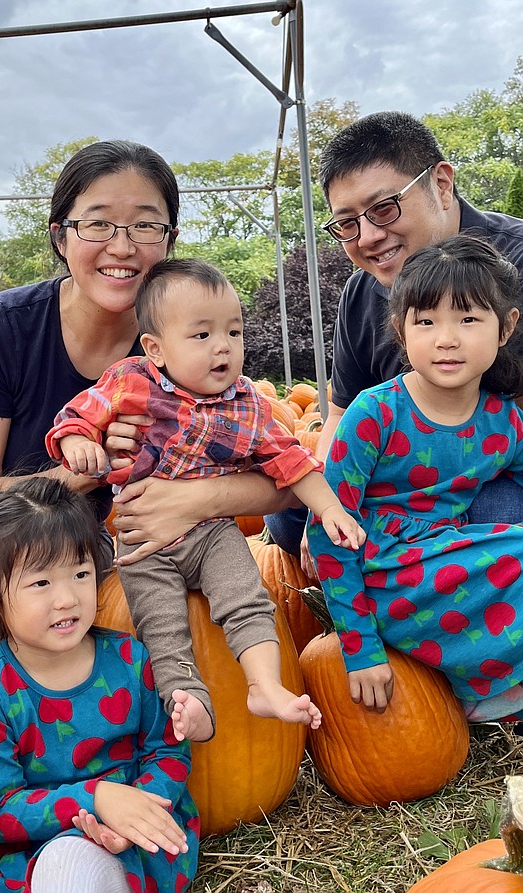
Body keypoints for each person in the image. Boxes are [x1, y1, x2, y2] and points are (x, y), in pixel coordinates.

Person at [0, 138, 294, 662]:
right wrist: (89, 469)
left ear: (169, 240)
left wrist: (197, 501)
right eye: (98, 223)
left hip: (76, 549)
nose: (123, 246)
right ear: (61, 237)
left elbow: (285, 479)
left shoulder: (182, 346)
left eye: (146, 225)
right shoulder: (0, 330)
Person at [46, 258, 364, 742]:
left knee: (247, 599)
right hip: (141, 541)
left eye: (233, 333)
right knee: (161, 623)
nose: (223, 347)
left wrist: (330, 509)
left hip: (212, 533)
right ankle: (186, 698)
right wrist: (77, 444)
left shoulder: (249, 405)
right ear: (155, 349)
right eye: (202, 336)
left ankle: (264, 686)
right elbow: (77, 417)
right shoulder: (131, 381)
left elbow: (293, 461)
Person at [264, 110, 523, 565]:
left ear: (441, 185)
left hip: (481, 470)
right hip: (393, 469)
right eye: (347, 223)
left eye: (384, 209)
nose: (367, 237)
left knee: (493, 510)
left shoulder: (511, 266)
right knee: (286, 516)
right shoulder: (361, 292)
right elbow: (342, 411)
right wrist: (328, 504)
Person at [306, 234, 523, 722]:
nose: (446, 338)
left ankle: (490, 685)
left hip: (448, 560)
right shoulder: (376, 412)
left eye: (468, 319)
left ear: (506, 327)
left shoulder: (503, 420)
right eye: (426, 322)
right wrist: (358, 647)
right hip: (382, 575)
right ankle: (482, 691)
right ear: (401, 331)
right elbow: (329, 529)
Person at [0, 476, 200, 893]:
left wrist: (140, 811)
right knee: (65, 869)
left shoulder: (130, 660)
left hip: (141, 834)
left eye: (80, 574)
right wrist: (95, 799)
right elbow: (2, 813)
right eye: (41, 582)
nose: (67, 598)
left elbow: (169, 751)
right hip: (46, 841)